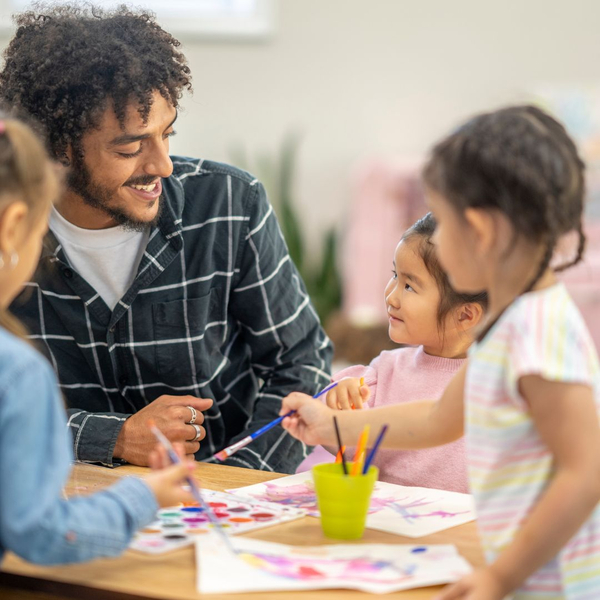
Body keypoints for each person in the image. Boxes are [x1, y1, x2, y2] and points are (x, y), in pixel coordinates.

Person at [280, 106, 600, 599]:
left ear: (481, 231)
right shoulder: (509, 321)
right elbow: (437, 419)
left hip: (548, 584)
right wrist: (328, 426)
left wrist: (500, 576)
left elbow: (585, 473)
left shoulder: (541, 332)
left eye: (445, 224)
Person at [0, 5, 332, 472]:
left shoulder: (230, 204)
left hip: (229, 500)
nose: (162, 166)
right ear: (59, 147)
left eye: (167, 134)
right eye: (131, 148)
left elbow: (302, 363)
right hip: (68, 503)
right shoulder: (9, 237)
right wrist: (112, 437)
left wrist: (240, 481)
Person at [0, 114, 197, 565]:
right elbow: (43, 533)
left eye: (169, 135)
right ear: (13, 226)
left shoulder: (230, 198)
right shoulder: (16, 371)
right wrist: (143, 496)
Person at [297, 212, 487, 493]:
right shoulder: (384, 371)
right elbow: (338, 440)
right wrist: (337, 400)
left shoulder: (494, 385)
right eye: (395, 275)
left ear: (465, 315)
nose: (391, 296)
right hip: (387, 525)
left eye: (409, 286)